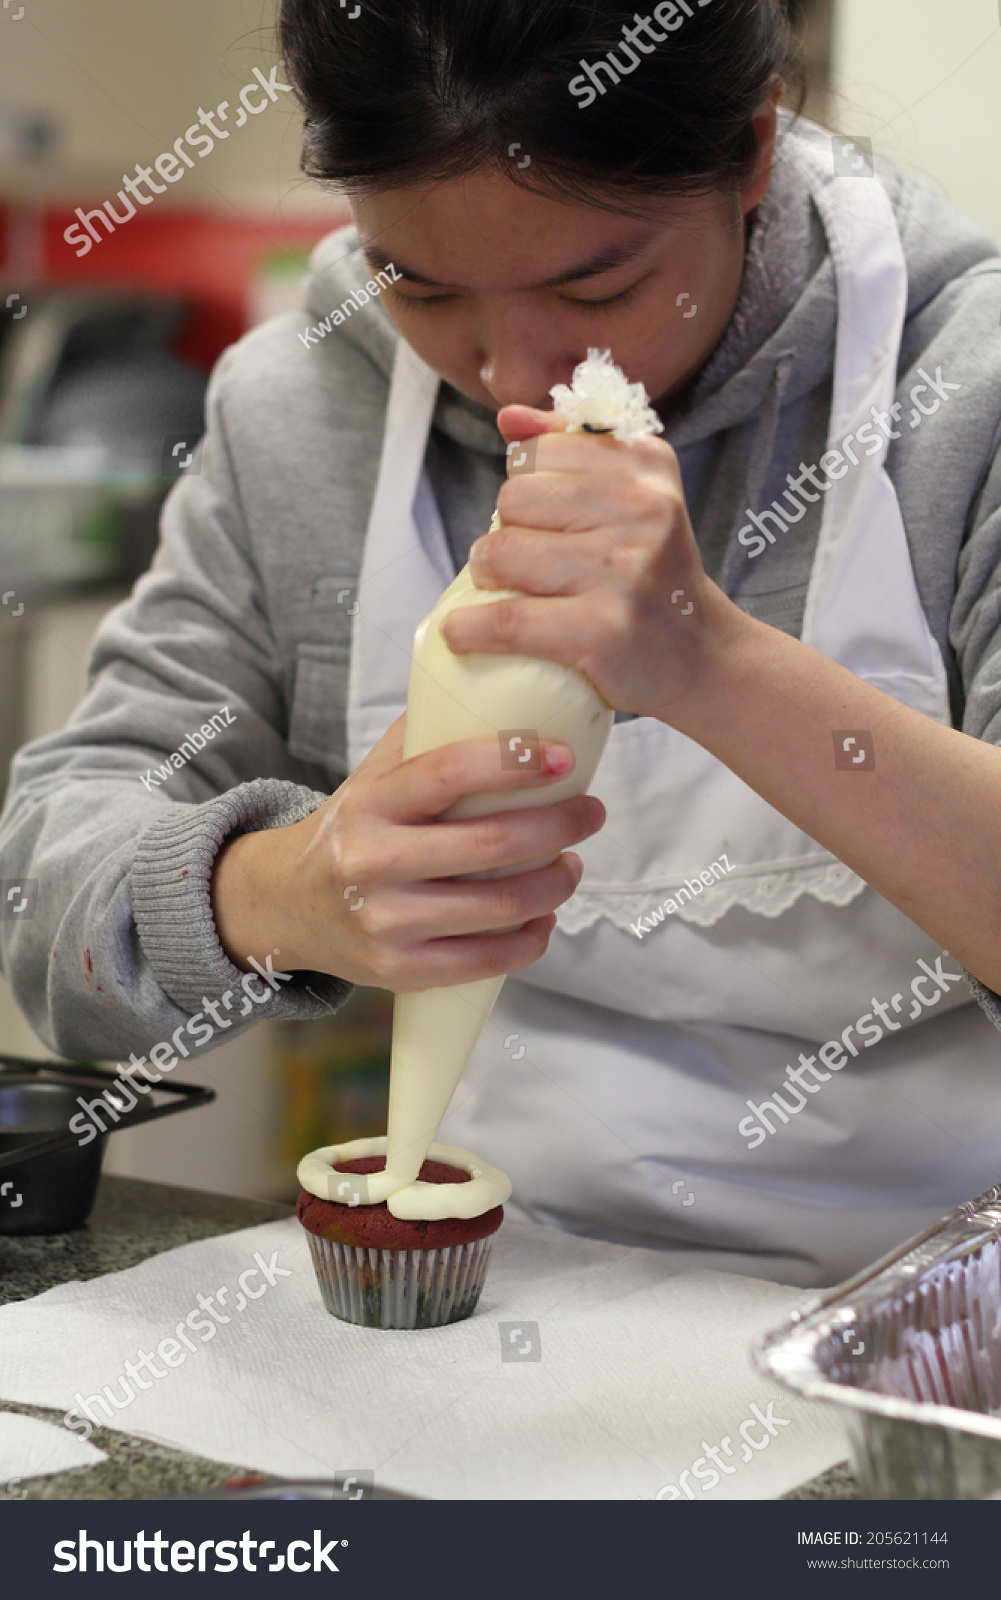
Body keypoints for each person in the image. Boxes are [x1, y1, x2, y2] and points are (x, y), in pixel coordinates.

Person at [3, 0, 1001, 1287]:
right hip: (498, 1302)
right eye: (415, 282)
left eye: (596, 284)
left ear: (752, 147)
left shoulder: (959, 394)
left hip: (926, 1335)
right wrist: (282, 892)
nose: (508, 366)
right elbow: (48, 910)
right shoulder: (305, 410)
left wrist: (708, 663)